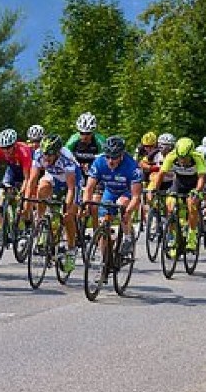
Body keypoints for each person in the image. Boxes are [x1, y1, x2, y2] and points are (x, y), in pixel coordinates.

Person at [28, 133, 82, 273]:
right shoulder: (39, 154)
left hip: (72, 181)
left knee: (69, 216)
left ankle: (71, 250)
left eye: (50, 155)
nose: (46, 158)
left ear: (58, 152)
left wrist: (67, 206)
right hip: (54, 177)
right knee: (42, 186)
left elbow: (71, 188)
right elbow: (32, 179)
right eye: (45, 154)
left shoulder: (67, 158)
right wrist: (26, 203)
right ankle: (41, 222)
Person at [83, 136, 143, 255]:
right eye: (108, 156)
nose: (110, 161)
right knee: (103, 222)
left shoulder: (131, 166)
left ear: (121, 155)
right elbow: (89, 188)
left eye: (114, 157)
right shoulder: (99, 162)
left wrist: (128, 212)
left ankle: (127, 237)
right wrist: (86, 204)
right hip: (110, 191)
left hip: (126, 192)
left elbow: (136, 197)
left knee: (122, 204)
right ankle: (104, 259)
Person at [149, 137, 206, 257]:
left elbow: (201, 178)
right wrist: (155, 189)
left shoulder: (198, 157)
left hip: (194, 185)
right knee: (170, 205)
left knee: (192, 203)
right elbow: (161, 174)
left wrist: (197, 191)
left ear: (190, 154)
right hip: (178, 183)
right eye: (180, 157)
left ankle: (191, 235)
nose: (182, 160)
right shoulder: (171, 156)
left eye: (185, 158)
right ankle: (174, 237)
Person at [64, 112, 106, 177]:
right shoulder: (73, 140)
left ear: (93, 132)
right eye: (82, 133)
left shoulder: (100, 140)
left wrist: (91, 165)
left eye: (88, 133)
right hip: (76, 170)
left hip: (95, 170)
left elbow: (105, 160)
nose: (85, 136)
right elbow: (65, 157)